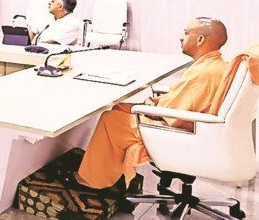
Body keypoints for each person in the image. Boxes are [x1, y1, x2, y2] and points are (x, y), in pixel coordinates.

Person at [72, 17, 228, 191]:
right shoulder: (214, 65)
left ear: (200, 40)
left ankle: (91, 181)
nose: (181, 38)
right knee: (120, 107)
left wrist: (151, 105)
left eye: (186, 33)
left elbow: (172, 114)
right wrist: (153, 103)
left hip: (178, 131)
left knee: (111, 119)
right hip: (191, 124)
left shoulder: (203, 73)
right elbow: (184, 101)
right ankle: (110, 172)